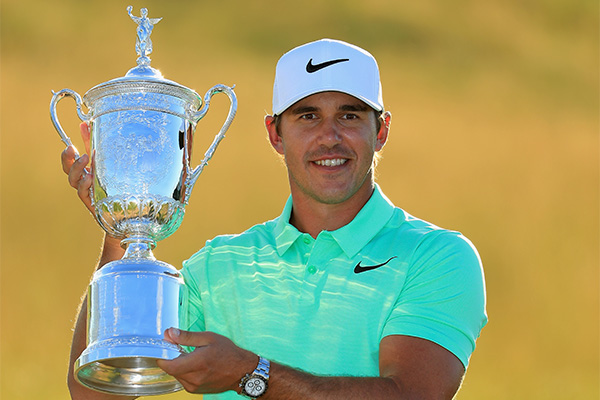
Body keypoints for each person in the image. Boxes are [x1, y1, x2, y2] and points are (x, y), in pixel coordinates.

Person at [63, 38, 487, 399]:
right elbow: (95, 392)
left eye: (350, 115)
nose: (329, 136)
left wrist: (251, 373)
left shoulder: (437, 256)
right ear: (275, 134)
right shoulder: (215, 267)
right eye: (307, 116)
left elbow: (412, 394)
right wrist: (121, 227)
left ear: (381, 131)